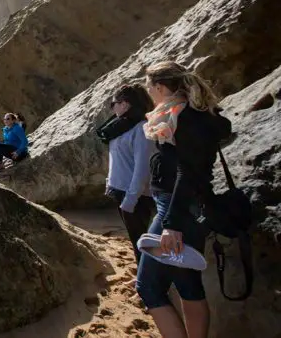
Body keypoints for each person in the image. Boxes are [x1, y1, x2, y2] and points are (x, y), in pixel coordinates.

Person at [135, 61, 231, 338]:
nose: (149, 92)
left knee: (149, 286)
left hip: (179, 209)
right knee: (187, 282)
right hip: (185, 206)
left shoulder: (183, 119)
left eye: (149, 87)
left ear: (161, 87)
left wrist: (172, 223)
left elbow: (188, 172)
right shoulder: (184, 114)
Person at [95, 84, 156, 264]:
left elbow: (142, 167)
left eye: (114, 103)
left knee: (141, 240)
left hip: (135, 195)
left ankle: (148, 282)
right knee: (135, 237)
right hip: (121, 190)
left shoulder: (141, 128)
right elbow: (119, 160)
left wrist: (131, 199)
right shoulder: (122, 127)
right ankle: (145, 274)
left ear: (126, 104)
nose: (112, 108)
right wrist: (110, 182)